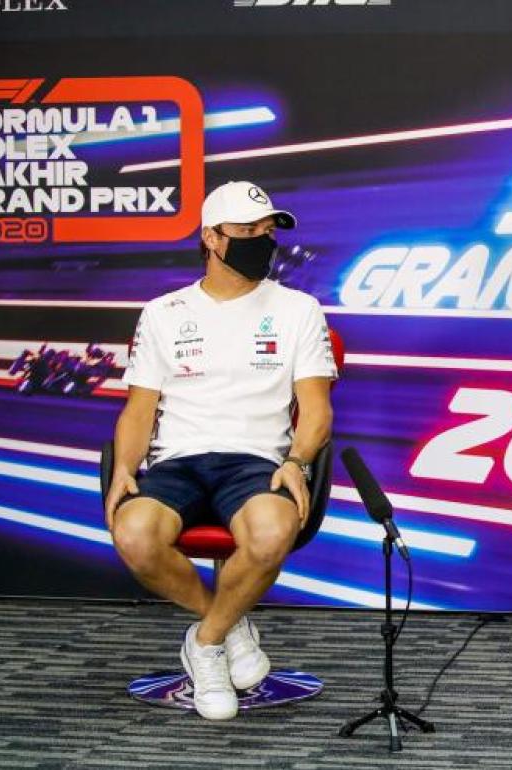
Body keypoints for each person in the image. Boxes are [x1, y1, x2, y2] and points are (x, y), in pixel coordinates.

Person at [103, 181, 338, 720]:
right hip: (177, 461)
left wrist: (298, 462)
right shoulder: (164, 312)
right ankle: (229, 627)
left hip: (257, 460)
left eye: (267, 232)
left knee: (274, 530)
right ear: (211, 237)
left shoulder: (298, 309)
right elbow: (139, 410)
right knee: (134, 535)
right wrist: (122, 466)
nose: (262, 242)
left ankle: (206, 644)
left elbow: (317, 410)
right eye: (248, 232)